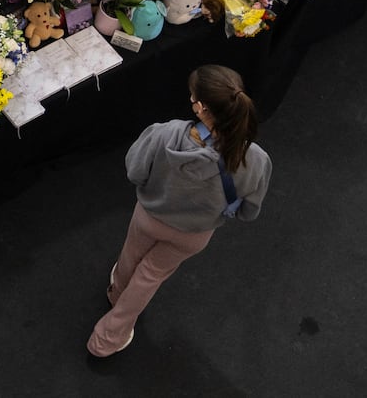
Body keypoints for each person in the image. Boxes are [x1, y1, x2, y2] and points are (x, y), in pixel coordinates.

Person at [87, 64, 272, 357]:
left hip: (149, 216)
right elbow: (250, 208)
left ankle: (116, 292)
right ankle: (108, 338)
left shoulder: (166, 134)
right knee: (151, 275)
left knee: (131, 254)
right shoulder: (256, 159)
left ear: (200, 107)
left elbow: (135, 171)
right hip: (193, 234)